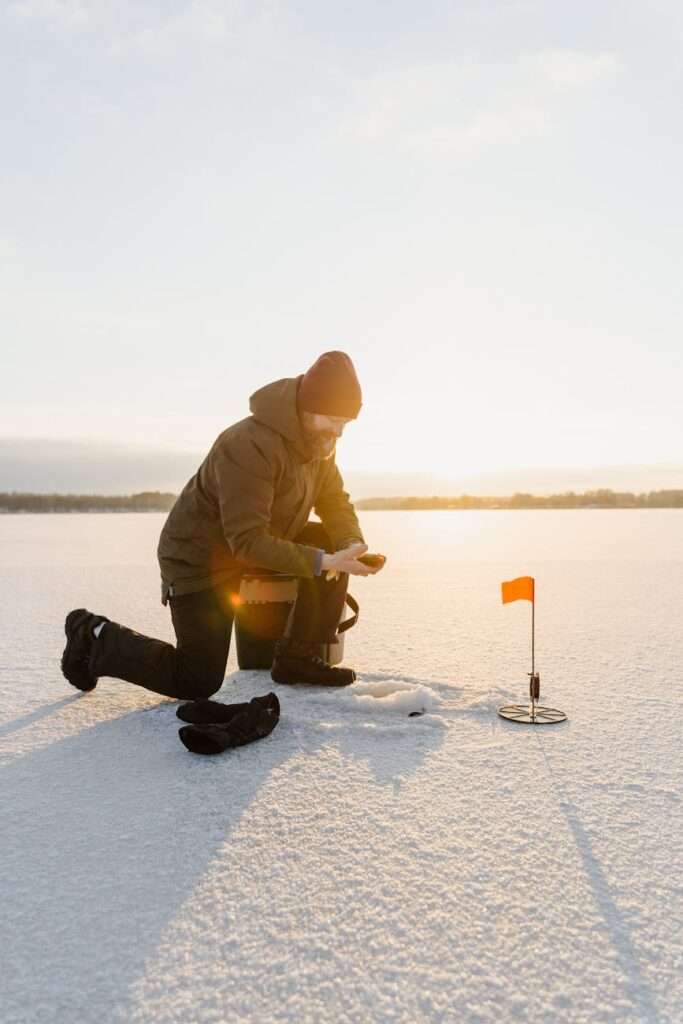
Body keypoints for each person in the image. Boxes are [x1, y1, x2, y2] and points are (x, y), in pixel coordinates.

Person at [61, 351, 382, 703]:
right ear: (307, 406)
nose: (338, 432)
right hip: (198, 560)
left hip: (251, 547)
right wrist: (323, 562)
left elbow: (334, 500)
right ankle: (93, 636)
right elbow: (246, 540)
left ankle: (297, 658)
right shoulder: (249, 444)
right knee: (196, 680)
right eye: (333, 420)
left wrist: (351, 543)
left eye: (345, 423)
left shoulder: (319, 446)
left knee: (327, 539)